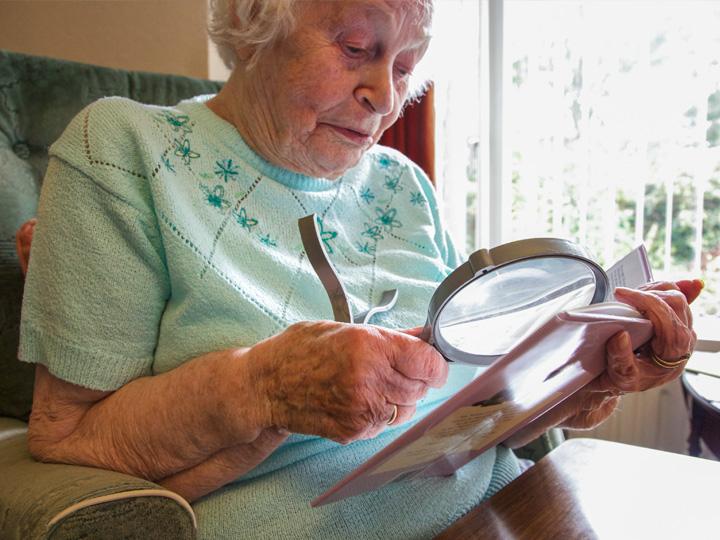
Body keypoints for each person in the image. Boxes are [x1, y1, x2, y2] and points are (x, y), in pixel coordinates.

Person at [18, 0, 701, 538]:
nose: (385, 94)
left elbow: (469, 412)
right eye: (356, 49)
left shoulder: (402, 183)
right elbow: (69, 435)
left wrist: (578, 379)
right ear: (259, 18)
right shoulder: (124, 149)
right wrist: (262, 384)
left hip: (514, 509)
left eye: (406, 66)